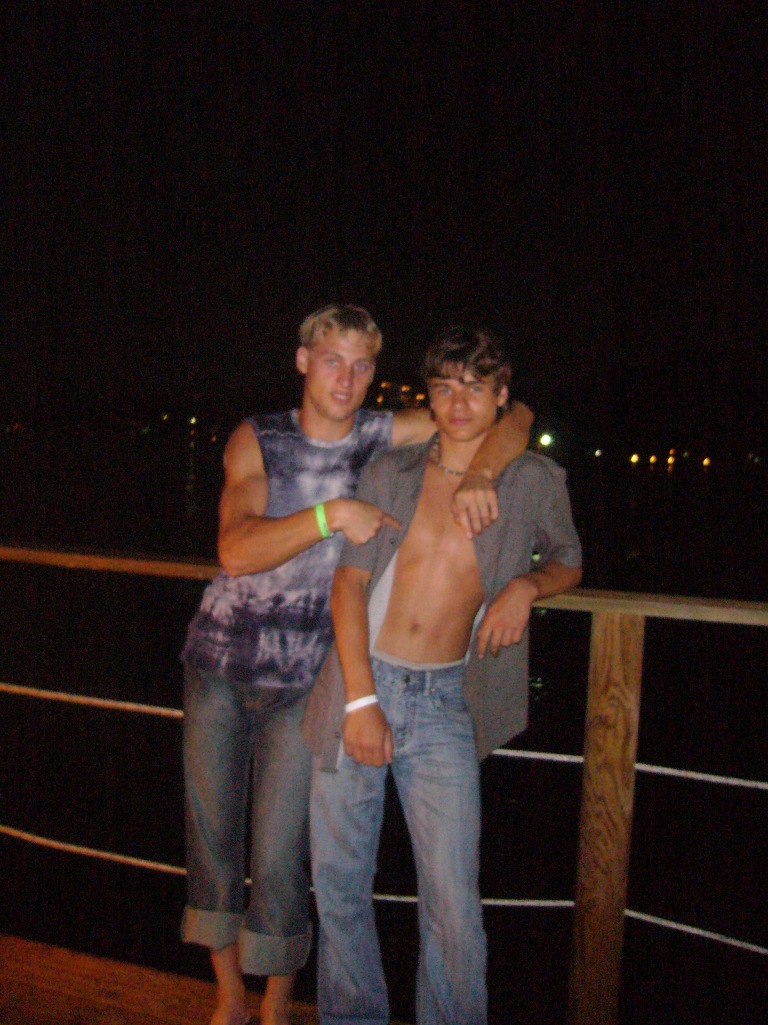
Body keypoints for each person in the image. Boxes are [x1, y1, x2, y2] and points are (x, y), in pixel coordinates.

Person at [180, 305, 533, 1025]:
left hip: (310, 677)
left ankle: (278, 1003)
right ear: (303, 360)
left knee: (282, 854)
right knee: (212, 841)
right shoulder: (260, 437)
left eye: (362, 364)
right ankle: (229, 996)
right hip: (219, 662)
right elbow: (235, 550)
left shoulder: (380, 433)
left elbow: (512, 412)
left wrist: (484, 473)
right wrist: (332, 514)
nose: (346, 377)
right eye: (332, 359)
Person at [303, 325, 582, 1025]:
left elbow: (569, 559)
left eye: (476, 388)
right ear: (428, 395)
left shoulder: (532, 479)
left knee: (454, 904)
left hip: (442, 701)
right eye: (444, 387)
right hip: (359, 683)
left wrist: (526, 586)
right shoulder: (391, 469)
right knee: (338, 884)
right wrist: (361, 701)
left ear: (501, 395)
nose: (458, 404)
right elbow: (347, 587)